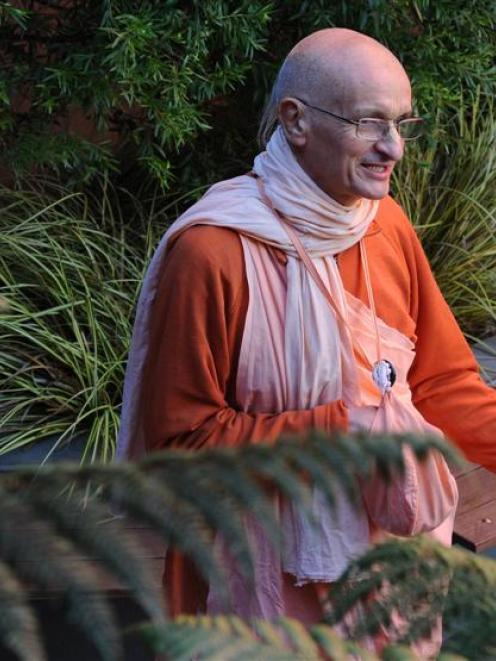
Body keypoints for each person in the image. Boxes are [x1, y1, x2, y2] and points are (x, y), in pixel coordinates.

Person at [117, 28, 496, 654]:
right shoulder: (213, 252)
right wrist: (339, 430)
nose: (393, 148)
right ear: (295, 121)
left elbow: (440, 383)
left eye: (403, 123)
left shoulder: (387, 226)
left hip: (386, 580)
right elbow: (181, 450)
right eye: (370, 123)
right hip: (248, 587)